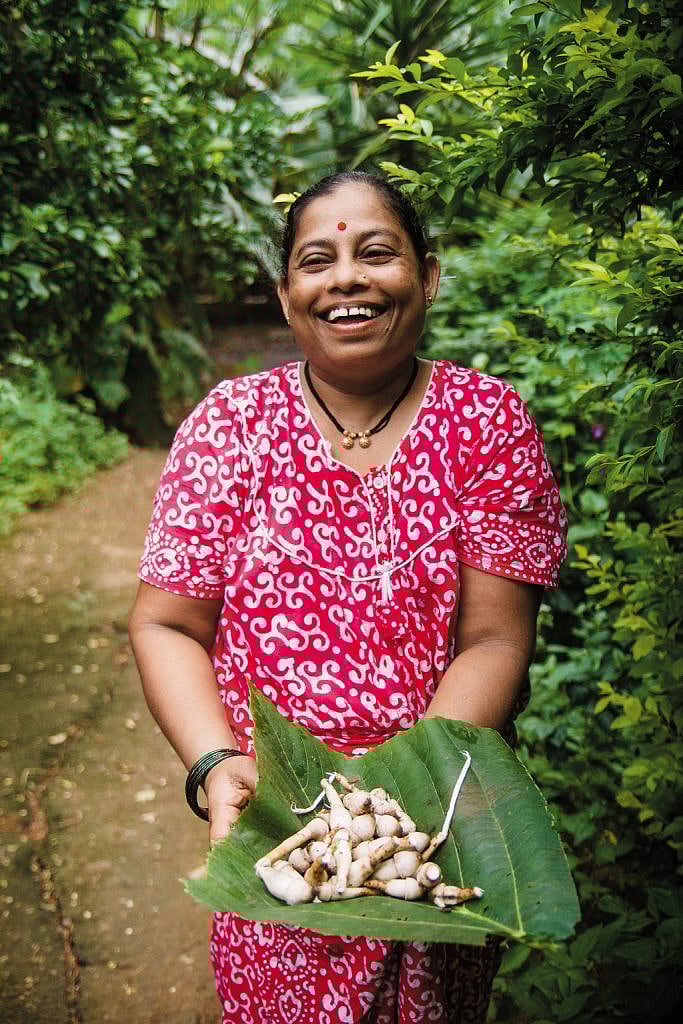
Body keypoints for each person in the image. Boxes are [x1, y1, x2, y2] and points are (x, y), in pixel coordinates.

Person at [129, 170, 567, 1024]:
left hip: (434, 818)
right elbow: (167, 624)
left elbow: (494, 641)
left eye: (376, 253)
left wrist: (402, 790)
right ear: (285, 294)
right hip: (278, 820)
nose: (346, 279)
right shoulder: (230, 426)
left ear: (426, 276)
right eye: (316, 261)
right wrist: (216, 766)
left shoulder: (486, 423)